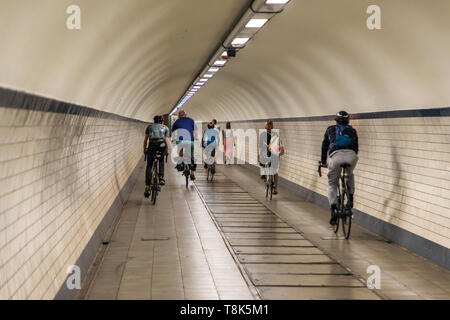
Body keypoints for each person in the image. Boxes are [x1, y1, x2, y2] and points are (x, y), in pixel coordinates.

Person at [321, 110, 359, 225]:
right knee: (349, 174)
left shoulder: (330, 129)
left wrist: (323, 162)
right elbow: (356, 147)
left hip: (336, 157)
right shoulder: (352, 130)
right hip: (351, 156)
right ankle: (350, 197)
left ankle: (334, 210)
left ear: (336, 121)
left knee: (332, 184)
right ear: (348, 121)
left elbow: (325, 146)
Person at [143, 115, 169, 196]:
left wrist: (144, 150)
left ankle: (147, 185)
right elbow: (166, 141)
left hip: (152, 145)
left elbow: (145, 140)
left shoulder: (149, 127)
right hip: (161, 144)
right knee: (161, 159)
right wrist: (166, 151)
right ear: (162, 121)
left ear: (154, 121)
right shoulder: (165, 128)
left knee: (149, 165)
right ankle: (161, 178)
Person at [172, 109, 197, 180]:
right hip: (190, 140)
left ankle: (180, 163)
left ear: (179, 116)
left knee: (180, 152)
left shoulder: (177, 121)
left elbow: (173, 131)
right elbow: (195, 130)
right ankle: (192, 173)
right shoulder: (191, 120)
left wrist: (173, 139)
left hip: (181, 140)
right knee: (192, 156)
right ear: (185, 115)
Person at [259, 120, 281, 195]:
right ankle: (276, 188)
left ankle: (264, 174)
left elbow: (261, 146)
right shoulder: (276, 134)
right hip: (274, 154)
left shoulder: (262, 134)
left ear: (265, 126)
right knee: (275, 171)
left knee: (262, 162)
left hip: (266, 154)